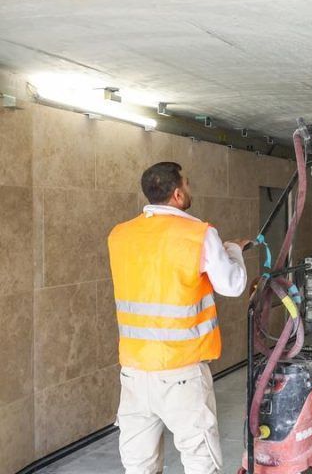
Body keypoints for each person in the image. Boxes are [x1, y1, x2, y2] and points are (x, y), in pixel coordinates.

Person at [108, 162, 250, 473]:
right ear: (177, 194)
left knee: (139, 465)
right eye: (187, 184)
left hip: (134, 373)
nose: (189, 188)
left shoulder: (120, 235)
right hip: (181, 373)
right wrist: (233, 251)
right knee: (200, 460)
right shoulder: (198, 234)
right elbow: (233, 285)